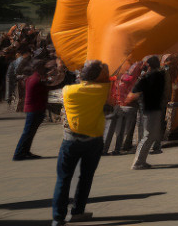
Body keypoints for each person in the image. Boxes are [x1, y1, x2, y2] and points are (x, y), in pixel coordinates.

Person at [52, 60, 109, 226]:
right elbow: (108, 79)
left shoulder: (68, 90)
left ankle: (58, 218)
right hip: (94, 140)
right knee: (86, 177)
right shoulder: (102, 90)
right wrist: (104, 69)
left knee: (63, 179)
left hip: (71, 140)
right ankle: (77, 211)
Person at [128, 55, 167, 169]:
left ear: (148, 65)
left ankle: (140, 161)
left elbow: (133, 94)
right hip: (153, 108)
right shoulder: (160, 75)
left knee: (150, 135)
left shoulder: (146, 77)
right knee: (150, 135)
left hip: (148, 108)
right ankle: (138, 162)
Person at [13, 59, 49, 160]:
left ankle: (25, 152)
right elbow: (46, 88)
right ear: (39, 68)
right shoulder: (37, 79)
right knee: (28, 132)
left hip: (34, 108)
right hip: (34, 109)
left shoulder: (33, 78)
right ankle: (19, 153)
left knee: (29, 132)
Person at [104, 60, 141, 155]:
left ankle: (114, 148)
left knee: (118, 129)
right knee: (123, 130)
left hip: (119, 105)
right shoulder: (130, 78)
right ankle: (120, 147)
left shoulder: (118, 77)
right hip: (128, 105)